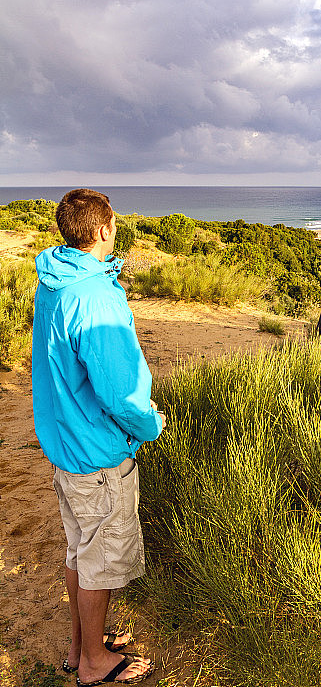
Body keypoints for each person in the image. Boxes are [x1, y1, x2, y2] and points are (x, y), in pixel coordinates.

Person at [32, 188, 165, 686]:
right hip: (97, 451)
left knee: (78, 551)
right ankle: (94, 663)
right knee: (99, 561)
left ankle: (78, 647)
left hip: (65, 441)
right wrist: (149, 424)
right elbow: (119, 389)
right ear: (105, 227)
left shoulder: (55, 281)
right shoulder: (94, 296)